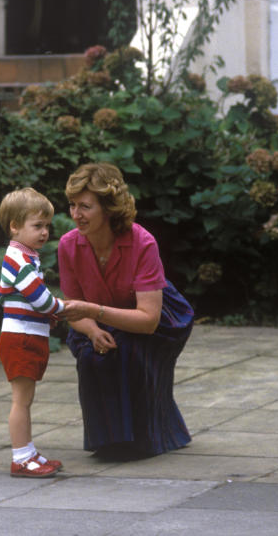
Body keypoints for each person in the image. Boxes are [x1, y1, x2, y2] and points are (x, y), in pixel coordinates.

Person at [58, 163, 194, 458]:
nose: (75, 214)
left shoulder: (142, 242)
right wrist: (93, 330)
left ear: (108, 208)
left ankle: (145, 439)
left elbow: (148, 320)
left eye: (85, 206)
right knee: (93, 355)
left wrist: (94, 311)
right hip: (98, 320)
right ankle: (108, 442)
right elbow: (73, 310)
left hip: (156, 317)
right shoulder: (68, 245)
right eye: (72, 205)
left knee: (129, 349)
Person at [0, 187, 78, 477]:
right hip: (21, 339)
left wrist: (46, 314)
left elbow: (16, 298)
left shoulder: (26, 256)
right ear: (15, 226)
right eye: (37, 226)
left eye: (47, 226)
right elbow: (41, 299)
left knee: (26, 399)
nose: (44, 232)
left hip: (27, 335)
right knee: (21, 400)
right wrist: (61, 308)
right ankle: (21, 458)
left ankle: (28, 453)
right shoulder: (18, 259)